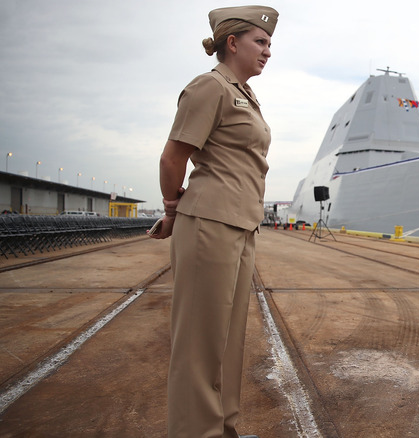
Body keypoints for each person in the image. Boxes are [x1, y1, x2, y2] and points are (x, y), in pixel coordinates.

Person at [149, 5, 278, 437]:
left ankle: (224, 428)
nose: (267, 50)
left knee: (227, 341)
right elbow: (173, 157)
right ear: (232, 42)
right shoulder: (210, 86)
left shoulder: (242, 93)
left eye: (269, 43)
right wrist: (171, 208)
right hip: (208, 224)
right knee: (200, 345)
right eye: (261, 42)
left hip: (239, 225)